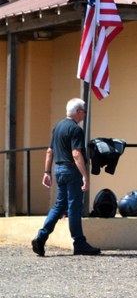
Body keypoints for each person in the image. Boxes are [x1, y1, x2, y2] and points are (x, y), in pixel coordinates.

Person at [31, 98, 101, 256]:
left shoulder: (58, 127)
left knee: (60, 206)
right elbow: (76, 154)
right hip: (71, 170)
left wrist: (46, 172)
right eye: (84, 110)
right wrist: (85, 176)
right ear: (78, 111)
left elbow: (50, 151)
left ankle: (41, 237)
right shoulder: (76, 129)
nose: (84, 114)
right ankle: (80, 243)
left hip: (58, 170)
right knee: (74, 207)